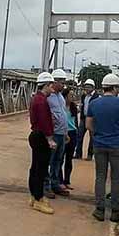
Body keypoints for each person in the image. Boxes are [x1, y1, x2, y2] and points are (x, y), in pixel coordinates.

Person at [86, 73, 119, 222]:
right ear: (114, 88)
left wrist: (97, 135)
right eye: (118, 88)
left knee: (100, 177)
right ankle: (115, 211)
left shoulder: (94, 104)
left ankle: (99, 210)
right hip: (117, 146)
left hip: (99, 145)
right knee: (116, 178)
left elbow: (88, 125)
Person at [28, 72, 56, 215]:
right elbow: (45, 122)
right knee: (41, 169)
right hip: (41, 137)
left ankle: (34, 196)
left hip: (36, 135)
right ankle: (38, 199)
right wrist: (50, 139)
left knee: (35, 167)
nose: (53, 88)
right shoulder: (42, 101)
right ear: (46, 85)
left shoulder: (36, 99)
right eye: (51, 85)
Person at [46, 69, 70, 197]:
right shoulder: (48, 96)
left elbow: (63, 114)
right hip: (53, 133)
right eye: (62, 82)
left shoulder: (60, 96)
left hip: (61, 133)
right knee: (49, 160)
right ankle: (46, 186)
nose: (63, 85)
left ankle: (55, 183)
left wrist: (66, 133)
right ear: (54, 82)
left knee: (58, 160)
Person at [77, 78, 98, 160]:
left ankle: (90, 154)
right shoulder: (83, 96)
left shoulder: (96, 97)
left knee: (92, 138)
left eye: (89, 87)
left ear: (93, 87)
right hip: (83, 118)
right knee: (79, 136)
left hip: (92, 119)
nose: (87, 88)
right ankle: (78, 153)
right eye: (86, 86)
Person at [62, 88, 79, 190]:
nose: (72, 97)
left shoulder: (73, 107)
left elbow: (75, 121)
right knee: (60, 158)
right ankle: (59, 180)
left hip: (72, 133)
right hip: (63, 132)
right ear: (65, 96)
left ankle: (67, 180)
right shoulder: (61, 106)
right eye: (70, 95)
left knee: (69, 158)